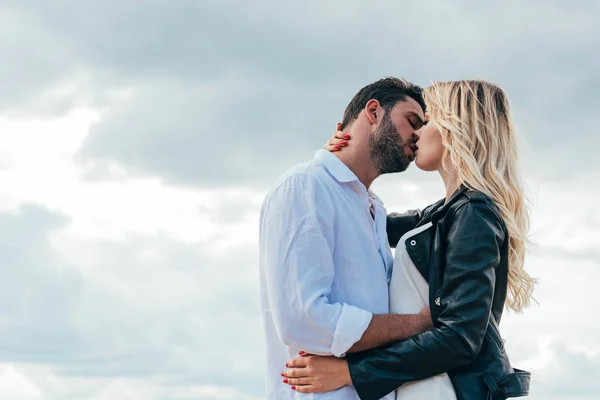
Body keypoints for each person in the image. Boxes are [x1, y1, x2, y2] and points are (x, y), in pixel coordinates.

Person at [281, 80, 535, 400]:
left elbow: (460, 338)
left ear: (454, 130)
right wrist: (343, 158)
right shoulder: (444, 214)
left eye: (426, 122)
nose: (416, 134)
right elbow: (361, 221)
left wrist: (350, 372)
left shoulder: (474, 214)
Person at [258, 77, 436, 400]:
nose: (419, 136)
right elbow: (304, 318)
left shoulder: (374, 211)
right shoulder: (305, 188)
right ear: (373, 111)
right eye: (413, 122)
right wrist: (416, 324)